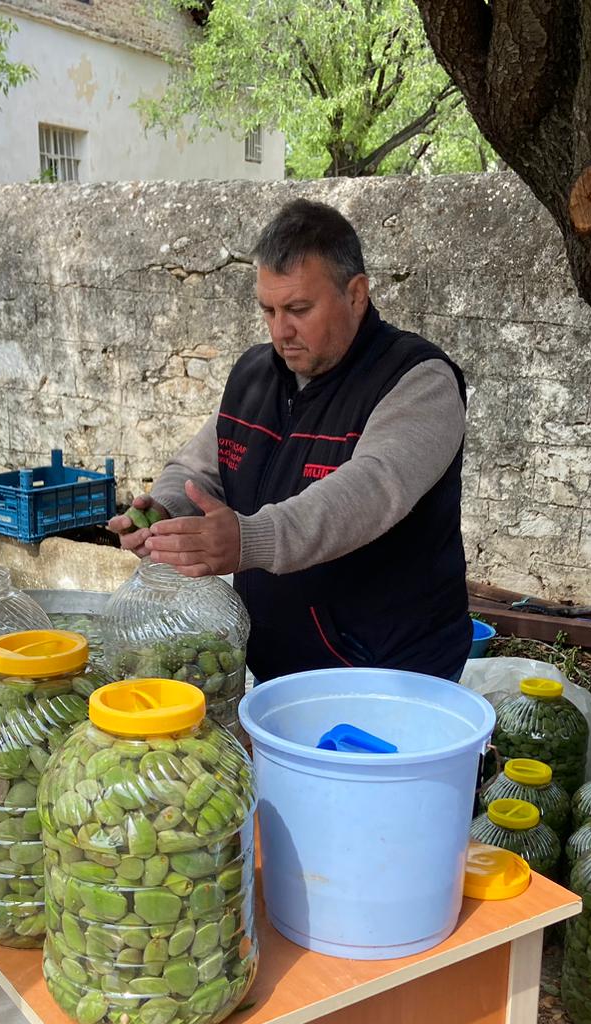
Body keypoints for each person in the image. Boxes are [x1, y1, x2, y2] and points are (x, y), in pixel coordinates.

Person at [111, 198, 471, 681]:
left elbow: (371, 490)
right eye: (269, 310)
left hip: (390, 674)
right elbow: (202, 468)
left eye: (299, 309)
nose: (281, 330)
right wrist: (166, 513)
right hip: (279, 669)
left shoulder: (418, 380)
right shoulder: (255, 375)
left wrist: (248, 539)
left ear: (356, 295)